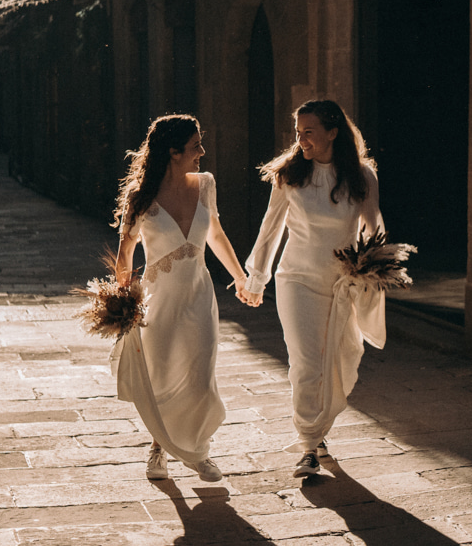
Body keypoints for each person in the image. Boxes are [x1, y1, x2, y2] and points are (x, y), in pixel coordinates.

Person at [242, 99, 386, 479]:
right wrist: (257, 278)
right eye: (297, 132)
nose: (300, 140)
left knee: (342, 360)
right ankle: (308, 445)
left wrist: (375, 270)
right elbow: (270, 229)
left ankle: (318, 433)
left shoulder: (362, 176)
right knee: (306, 362)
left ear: (333, 132)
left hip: (342, 285)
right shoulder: (289, 175)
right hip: (297, 280)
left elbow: (374, 230)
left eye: (309, 132)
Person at [112, 115, 256, 482]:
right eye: (195, 146)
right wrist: (123, 301)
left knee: (200, 375)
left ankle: (199, 450)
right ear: (174, 153)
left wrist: (240, 277)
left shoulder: (205, 185)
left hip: (199, 296)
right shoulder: (140, 195)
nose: (202, 153)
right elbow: (125, 253)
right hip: (158, 300)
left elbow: (217, 236)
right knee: (160, 377)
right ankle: (159, 448)